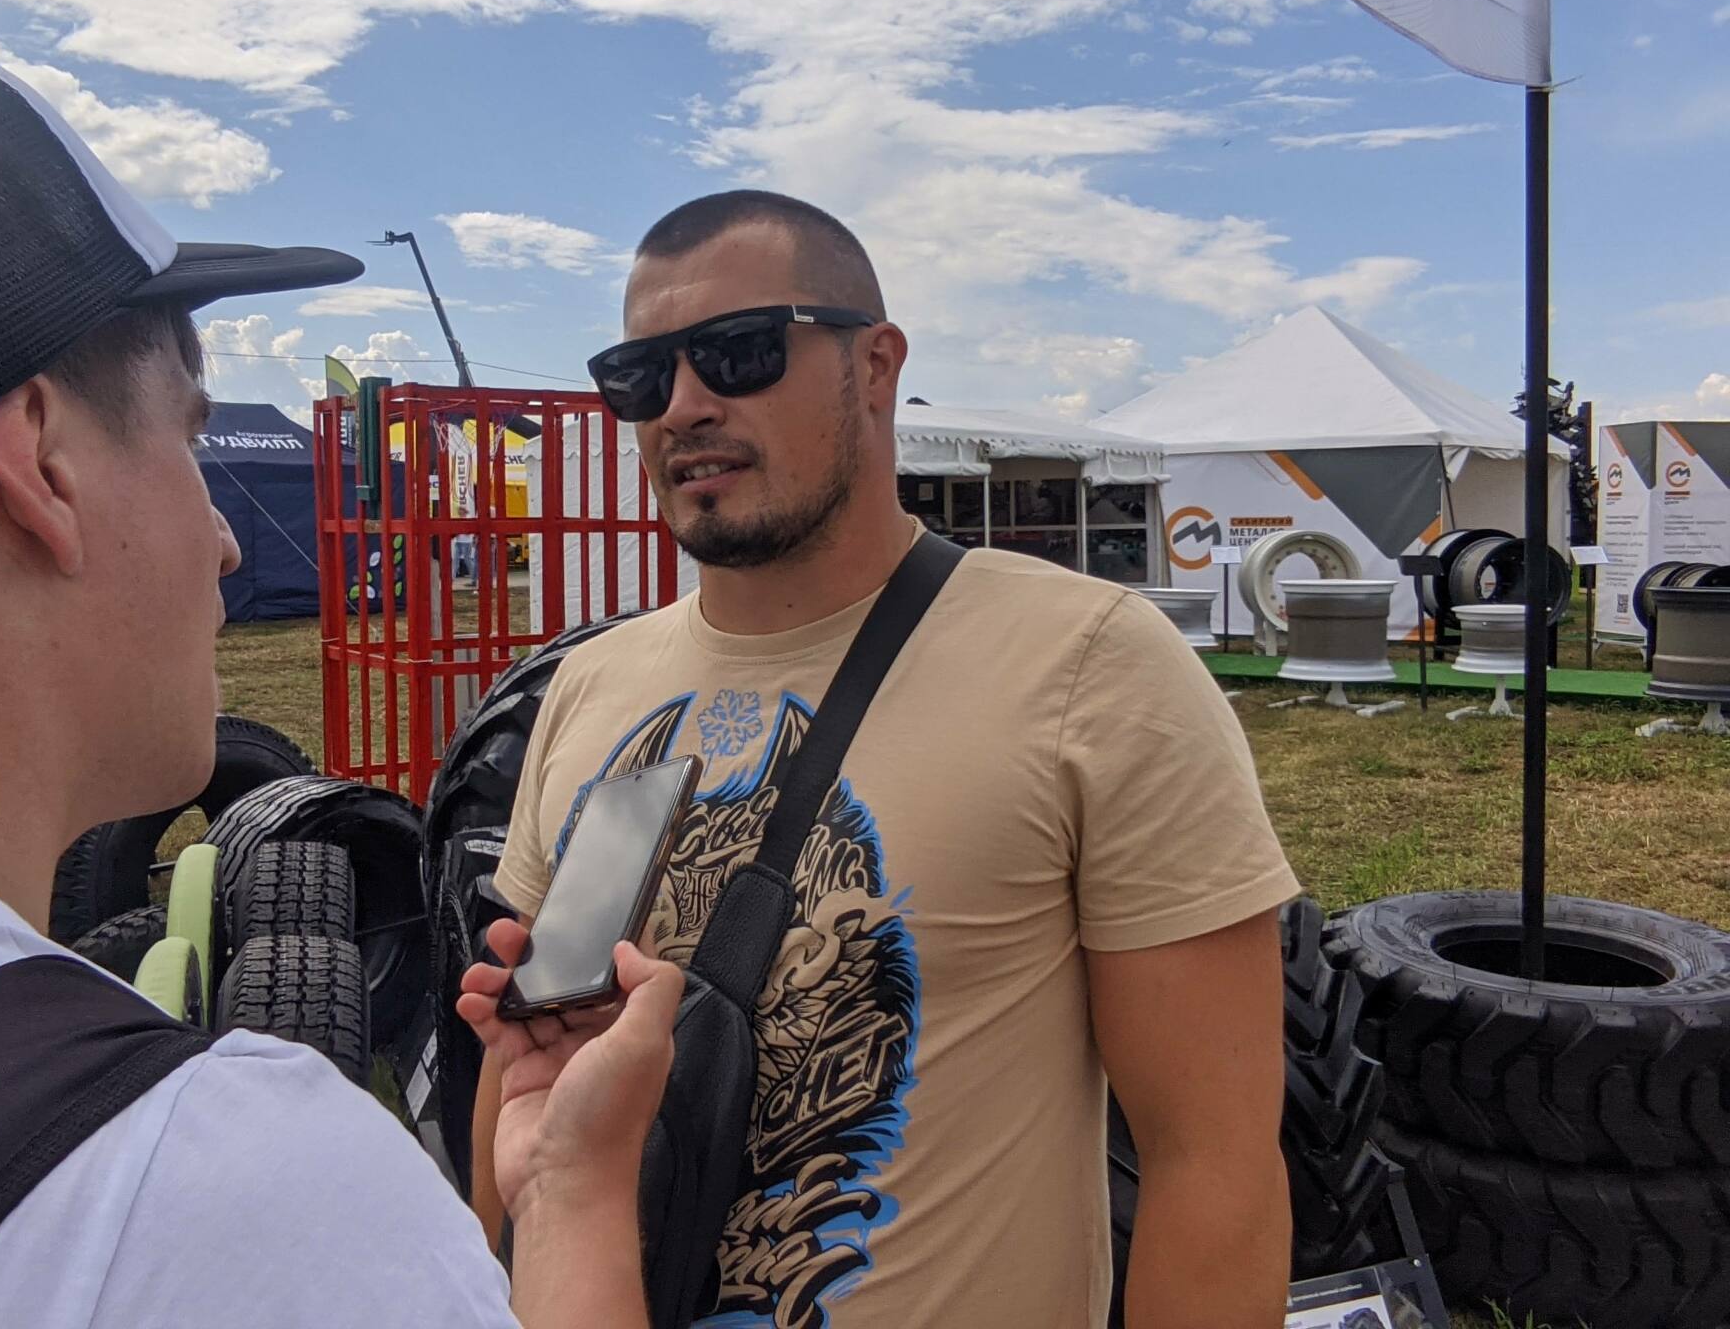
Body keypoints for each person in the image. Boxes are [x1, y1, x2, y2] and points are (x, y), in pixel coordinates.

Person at [0, 37, 676, 1329]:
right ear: (39, 459)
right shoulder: (224, 1203)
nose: (224, 538)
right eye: (190, 434)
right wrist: (573, 1189)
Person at [475, 190, 1302, 1328]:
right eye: (640, 375)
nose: (683, 405)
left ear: (874, 366)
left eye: (739, 352)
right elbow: (524, 1072)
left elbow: (1214, 1165)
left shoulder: (1090, 665)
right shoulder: (588, 685)